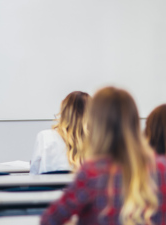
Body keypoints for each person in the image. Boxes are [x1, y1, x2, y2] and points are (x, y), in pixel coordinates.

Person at [41, 87, 166, 225]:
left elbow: (50, 220)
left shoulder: (91, 173)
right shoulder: (161, 168)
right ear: (134, 121)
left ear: (96, 124)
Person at [30, 91, 90, 174]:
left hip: (50, 187)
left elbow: (34, 175)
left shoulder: (45, 136)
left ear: (64, 110)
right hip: (85, 187)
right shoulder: (98, 142)